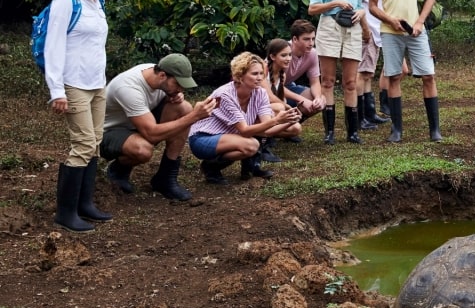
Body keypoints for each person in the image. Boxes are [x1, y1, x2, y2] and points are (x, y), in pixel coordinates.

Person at [44, 0, 113, 232]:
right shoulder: (66, 0)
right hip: (73, 84)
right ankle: (66, 212)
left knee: (95, 142)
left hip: (97, 83)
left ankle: (85, 204)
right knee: (83, 144)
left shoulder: (99, 1)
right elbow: (54, 45)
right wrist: (56, 90)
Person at [101, 54, 218, 201]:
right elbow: (151, 134)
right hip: (108, 132)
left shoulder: (157, 74)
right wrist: (194, 117)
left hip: (136, 124)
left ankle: (165, 178)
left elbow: (160, 102)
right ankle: (118, 170)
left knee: (184, 108)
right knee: (142, 149)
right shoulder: (128, 88)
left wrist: (172, 97)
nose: (181, 89)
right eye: (177, 84)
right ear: (162, 75)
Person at [367, 0, 442, 143]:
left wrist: (419, 22)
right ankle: (397, 130)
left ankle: (434, 129)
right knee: (393, 76)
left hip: (416, 30)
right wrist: (390, 20)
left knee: (428, 75)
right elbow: (372, 5)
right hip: (390, 32)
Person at [188, 52, 303, 184]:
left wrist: (289, 121)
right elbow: (244, 131)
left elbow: (266, 130)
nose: (260, 78)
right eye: (254, 74)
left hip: (228, 135)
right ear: (240, 76)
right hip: (203, 138)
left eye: (261, 73)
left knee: (258, 133)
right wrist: (277, 120)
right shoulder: (225, 95)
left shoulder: (260, 93)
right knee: (251, 145)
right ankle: (211, 166)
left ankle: (251, 167)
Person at [308, 0, 367, 145]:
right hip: (330, 27)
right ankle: (330, 131)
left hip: (352, 29)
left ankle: (352, 131)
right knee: (328, 80)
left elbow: (360, 6)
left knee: (350, 82)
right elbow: (312, 8)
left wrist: (361, 13)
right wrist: (335, 3)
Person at [358, 0, 391, 130]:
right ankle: (360, 117)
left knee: (368, 74)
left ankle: (370, 114)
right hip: (367, 32)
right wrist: (365, 30)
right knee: (362, 73)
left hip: (375, 32)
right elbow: (362, 5)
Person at [281, 20, 327, 139]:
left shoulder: (312, 54)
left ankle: (290, 128)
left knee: (319, 100)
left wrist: (317, 98)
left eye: (313, 38)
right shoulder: (282, 52)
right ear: (295, 39)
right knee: (279, 105)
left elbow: (315, 82)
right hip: (269, 92)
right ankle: (269, 138)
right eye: (306, 39)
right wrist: (301, 99)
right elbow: (272, 88)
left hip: (289, 86)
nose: (311, 43)